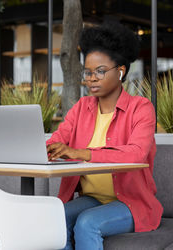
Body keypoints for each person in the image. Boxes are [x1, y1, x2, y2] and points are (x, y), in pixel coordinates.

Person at [46, 20, 163, 250]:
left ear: (120, 72)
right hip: (92, 199)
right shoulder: (81, 108)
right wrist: (49, 148)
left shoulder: (141, 108)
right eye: (88, 72)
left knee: (87, 223)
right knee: (54, 218)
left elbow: (136, 154)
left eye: (100, 71)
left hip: (131, 203)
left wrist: (82, 153)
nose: (92, 78)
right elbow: (58, 139)